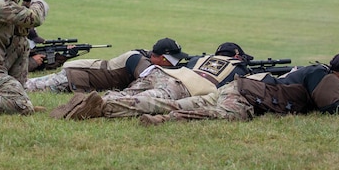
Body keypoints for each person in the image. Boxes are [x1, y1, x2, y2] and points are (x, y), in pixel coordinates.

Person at [136, 51, 339, 125]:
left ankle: (158, 113)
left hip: (241, 88)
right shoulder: (327, 80)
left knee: (190, 104)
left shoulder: (318, 73)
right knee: (218, 115)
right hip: (248, 100)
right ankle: (163, 119)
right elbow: (332, 110)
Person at [49, 41, 251, 120]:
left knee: (129, 93)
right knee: (147, 102)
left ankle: (89, 102)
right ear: (237, 56)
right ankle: (102, 105)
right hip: (183, 86)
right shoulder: (239, 67)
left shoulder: (201, 58)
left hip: (161, 73)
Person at [25, 37, 186, 93]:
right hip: (76, 75)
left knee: (29, 83)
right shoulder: (138, 60)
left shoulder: (147, 55)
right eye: (169, 60)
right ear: (159, 57)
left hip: (82, 73)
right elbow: (151, 80)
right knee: (29, 87)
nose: (172, 64)